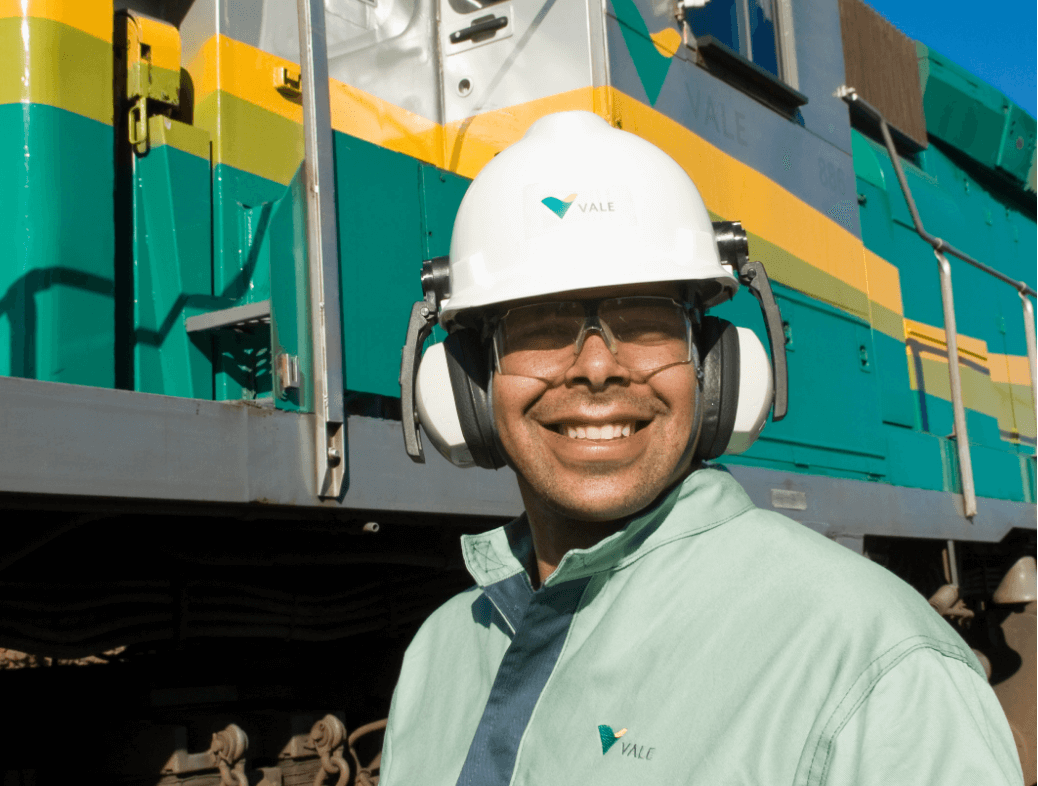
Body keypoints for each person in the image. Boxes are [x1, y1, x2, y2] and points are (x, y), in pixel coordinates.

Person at [384, 111, 1022, 785]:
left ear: (713, 370)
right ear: (469, 386)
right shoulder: (439, 653)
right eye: (539, 324)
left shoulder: (876, 663)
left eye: (644, 322)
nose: (596, 368)